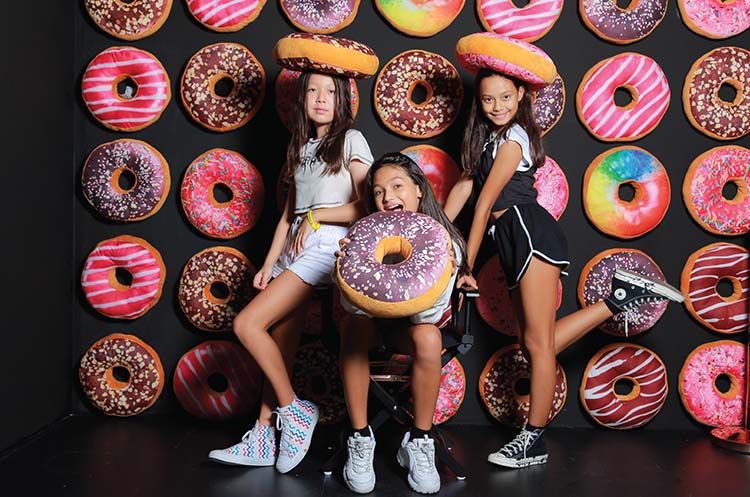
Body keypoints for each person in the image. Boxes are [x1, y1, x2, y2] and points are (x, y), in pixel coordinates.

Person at [443, 68, 684, 469]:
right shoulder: (487, 140)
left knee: (537, 346)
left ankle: (533, 440)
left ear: (521, 94)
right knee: (533, 343)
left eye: (505, 97)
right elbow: (461, 191)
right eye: (488, 99)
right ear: (479, 103)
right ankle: (619, 298)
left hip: (530, 234)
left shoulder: (514, 140)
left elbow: (482, 205)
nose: (497, 106)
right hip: (512, 239)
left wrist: (466, 266)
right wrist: (425, 232)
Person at [208, 70, 374, 474]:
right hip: (295, 247)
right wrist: (268, 263)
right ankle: (263, 436)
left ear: (343, 99)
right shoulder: (299, 146)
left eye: (330, 91)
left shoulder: (351, 140)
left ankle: (295, 410)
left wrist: (318, 216)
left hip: (327, 244)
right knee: (279, 348)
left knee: (248, 325)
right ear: (301, 98)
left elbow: (367, 204)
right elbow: (287, 216)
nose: (321, 98)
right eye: (313, 90)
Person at [336, 153, 467, 494]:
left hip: (414, 328)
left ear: (419, 189)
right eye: (378, 192)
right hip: (372, 326)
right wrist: (347, 269)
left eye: (397, 186)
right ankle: (361, 437)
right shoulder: (362, 238)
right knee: (352, 326)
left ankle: (420, 441)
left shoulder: (444, 241)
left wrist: (441, 269)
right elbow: (353, 307)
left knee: (427, 337)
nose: (387, 197)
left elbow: (429, 316)